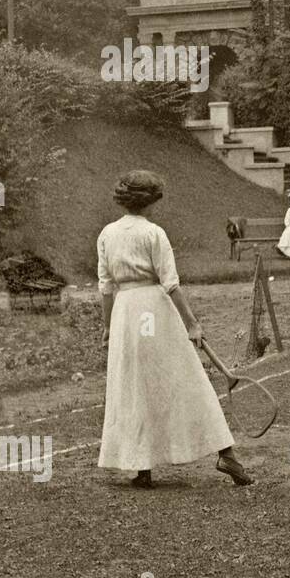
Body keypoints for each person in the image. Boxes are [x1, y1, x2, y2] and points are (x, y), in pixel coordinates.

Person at [97, 170, 252, 489]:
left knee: (135, 387)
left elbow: (105, 287)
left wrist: (108, 326)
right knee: (187, 380)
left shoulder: (107, 234)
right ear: (151, 200)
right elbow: (170, 284)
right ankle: (226, 454)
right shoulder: (154, 233)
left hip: (126, 314)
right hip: (153, 310)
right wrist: (193, 323)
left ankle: (143, 469)